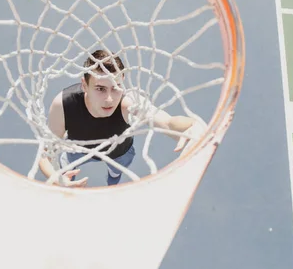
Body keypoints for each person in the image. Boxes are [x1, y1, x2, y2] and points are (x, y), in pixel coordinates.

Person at [39, 49, 203, 188]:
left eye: (116, 87)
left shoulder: (129, 103)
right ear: (84, 85)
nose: (110, 99)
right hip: (78, 150)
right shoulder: (64, 104)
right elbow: (44, 155)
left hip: (119, 153)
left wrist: (193, 124)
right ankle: (68, 184)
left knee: (115, 172)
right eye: (100, 89)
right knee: (64, 169)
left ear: (122, 81)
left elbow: (168, 122)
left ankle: (113, 179)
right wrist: (56, 180)